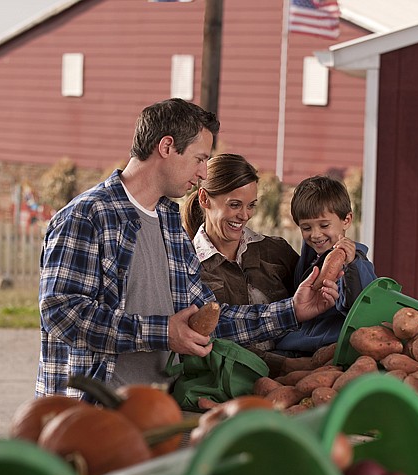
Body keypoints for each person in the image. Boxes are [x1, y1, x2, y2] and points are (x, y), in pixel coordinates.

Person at [36, 98, 340, 399]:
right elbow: (61, 312)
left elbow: (206, 319)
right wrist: (164, 332)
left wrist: (292, 311)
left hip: (157, 407)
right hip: (90, 411)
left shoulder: (169, 221)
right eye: (199, 158)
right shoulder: (88, 216)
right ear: (167, 147)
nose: (204, 173)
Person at [181, 153, 299, 354]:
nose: (245, 216)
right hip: (223, 383)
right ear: (204, 199)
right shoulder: (187, 266)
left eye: (251, 205)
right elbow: (211, 336)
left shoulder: (277, 252)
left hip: (295, 379)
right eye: (234, 205)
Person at [274, 175, 377, 355]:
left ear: (346, 220)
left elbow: (363, 306)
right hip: (296, 342)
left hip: (329, 347)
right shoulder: (312, 256)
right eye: (306, 228)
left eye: (324, 225)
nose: (315, 235)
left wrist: (351, 264)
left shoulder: (356, 262)